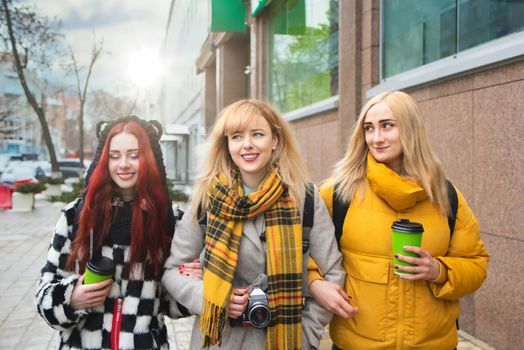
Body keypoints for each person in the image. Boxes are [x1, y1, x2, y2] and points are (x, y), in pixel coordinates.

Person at [308, 91, 490, 350]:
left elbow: (476, 265)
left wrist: (438, 271)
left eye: (387, 126)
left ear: (411, 129)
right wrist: (315, 283)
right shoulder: (338, 193)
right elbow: (297, 249)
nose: (376, 138)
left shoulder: (445, 195)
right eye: (369, 128)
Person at [162, 99, 345, 349]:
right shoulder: (208, 198)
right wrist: (212, 298)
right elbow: (173, 270)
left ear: (275, 140)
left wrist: (307, 334)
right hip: (219, 341)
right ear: (227, 145)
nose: (247, 144)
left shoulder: (306, 199)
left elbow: (333, 274)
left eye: (257, 134)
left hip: (285, 340)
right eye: (236, 137)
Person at [35, 116, 185, 349]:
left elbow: (170, 304)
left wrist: (189, 280)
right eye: (114, 156)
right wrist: (72, 298)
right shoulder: (75, 217)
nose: (123, 164)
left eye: (133, 155)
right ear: (104, 161)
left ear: (149, 159)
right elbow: (43, 297)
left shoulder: (168, 220)